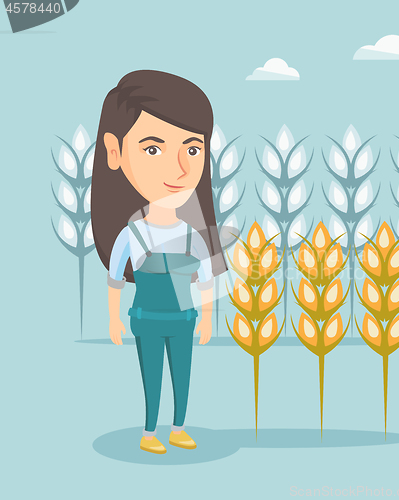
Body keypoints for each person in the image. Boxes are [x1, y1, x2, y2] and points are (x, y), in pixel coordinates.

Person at [91, 70, 227, 454]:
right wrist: (115, 317)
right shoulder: (129, 236)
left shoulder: (193, 235)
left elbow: (205, 281)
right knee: (152, 376)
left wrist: (209, 319)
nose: (180, 168)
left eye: (193, 149)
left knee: (182, 376)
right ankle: (150, 432)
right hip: (146, 320)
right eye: (153, 149)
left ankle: (178, 427)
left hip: (184, 320)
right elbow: (115, 279)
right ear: (114, 152)